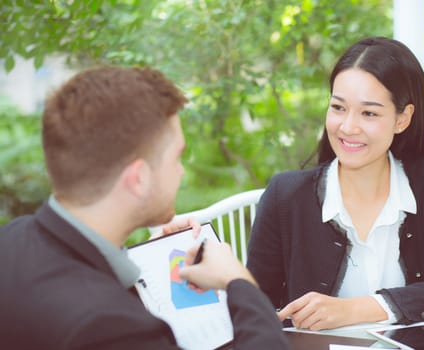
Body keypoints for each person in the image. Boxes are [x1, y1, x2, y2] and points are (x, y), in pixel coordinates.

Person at [0, 66, 288, 349]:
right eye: (177, 158)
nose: (181, 172)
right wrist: (240, 283)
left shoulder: (11, 240)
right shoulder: (115, 328)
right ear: (138, 179)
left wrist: (149, 261)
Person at [246, 36, 424, 331]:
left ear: (402, 119)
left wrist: (357, 309)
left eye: (369, 113)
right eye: (338, 107)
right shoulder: (284, 195)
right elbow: (256, 311)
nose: (348, 127)